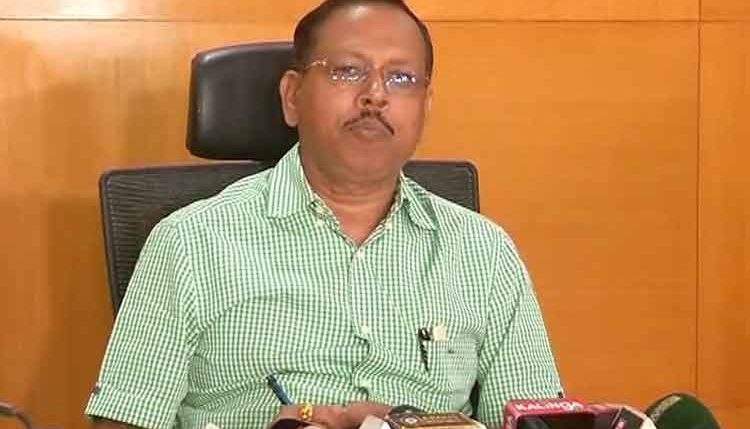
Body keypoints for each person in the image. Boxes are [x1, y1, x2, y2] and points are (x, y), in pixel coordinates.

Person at [85, 1, 563, 429]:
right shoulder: (191, 243)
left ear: (425, 107)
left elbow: (536, 421)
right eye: (348, 71)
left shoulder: (484, 253)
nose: (376, 95)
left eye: (401, 79)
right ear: (292, 96)